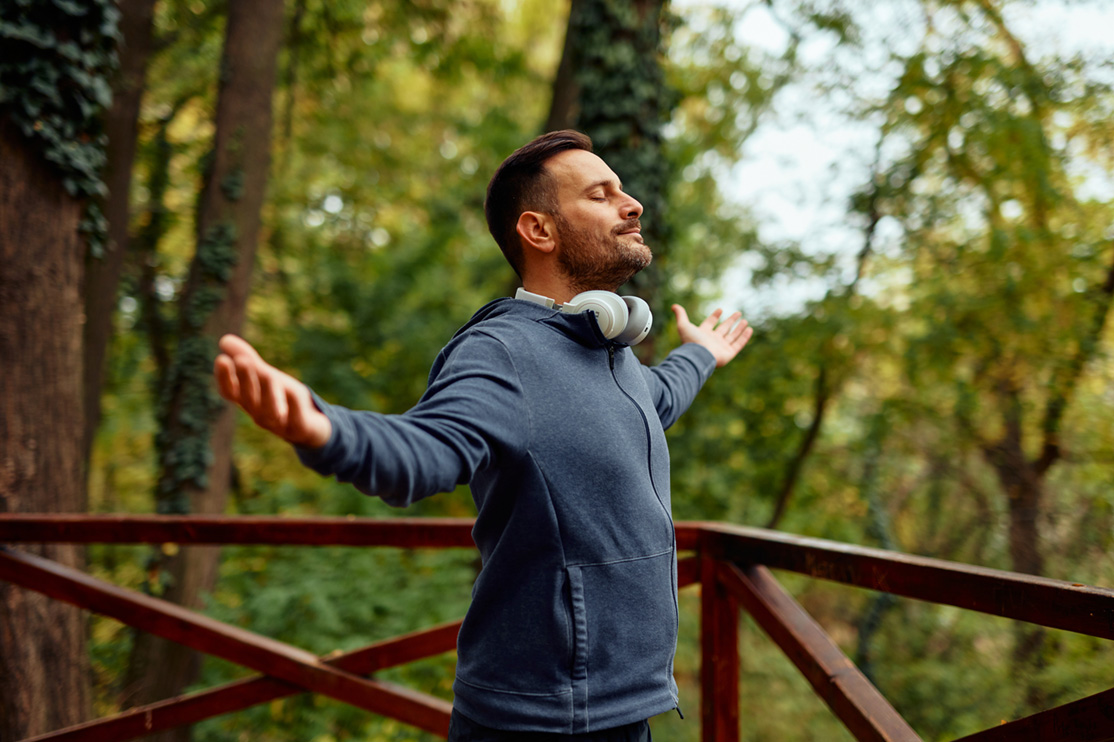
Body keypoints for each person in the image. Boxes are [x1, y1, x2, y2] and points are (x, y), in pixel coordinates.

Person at [214, 130, 752, 741]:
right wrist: (325, 428)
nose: (632, 205)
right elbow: (425, 450)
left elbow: (660, 398)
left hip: (626, 708)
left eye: (623, 191)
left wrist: (701, 356)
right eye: (602, 195)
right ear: (539, 231)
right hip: (537, 721)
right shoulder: (500, 353)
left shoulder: (614, 357)